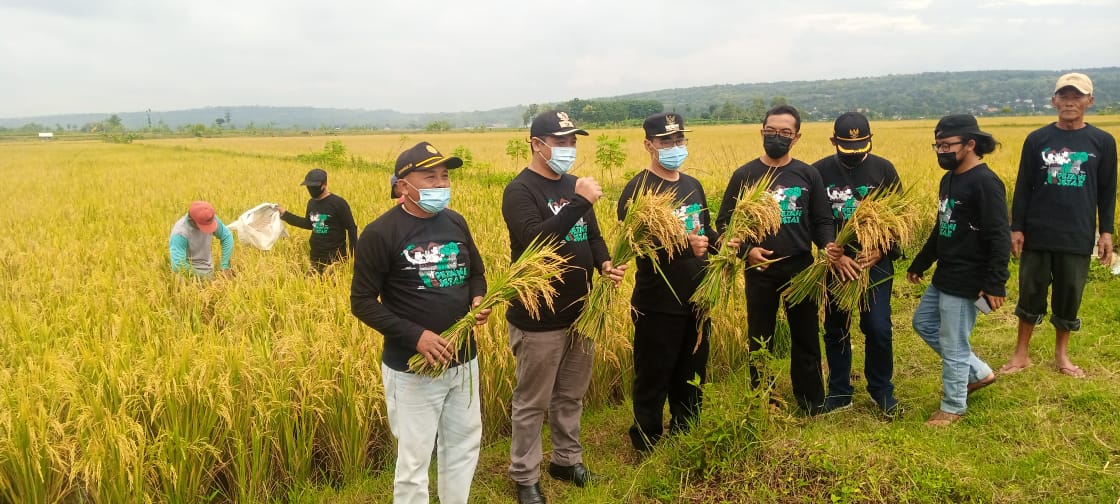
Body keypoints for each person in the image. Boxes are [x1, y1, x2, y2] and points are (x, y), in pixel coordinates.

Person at [350, 141, 490, 504]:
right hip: (413, 371)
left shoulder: (456, 221)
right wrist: (417, 337)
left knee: (463, 445)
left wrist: (478, 299)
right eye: (429, 177)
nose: (440, 183)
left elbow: (477, 272)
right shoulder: (381, 233)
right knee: (414, 461)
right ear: (402, 185)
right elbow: (362, 302)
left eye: (444, 176)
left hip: (464, 359)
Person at [501, 110, 626, 504]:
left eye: (573, 141)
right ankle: (525, 476)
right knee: (532, 401)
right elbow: (537, 240)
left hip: (581, 310)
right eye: (561, 141)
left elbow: (592, 234)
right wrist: (577, 201)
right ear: (537, 145)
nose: (569, 148)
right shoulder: (520, 191)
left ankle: (567, 461)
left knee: (571, 394)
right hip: (538, 316)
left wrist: (604, 263)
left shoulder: (573, 185)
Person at [715, 104, 847, 416]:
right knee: (760, 338)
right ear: (762, 132)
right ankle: (761, 401)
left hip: (800, 267)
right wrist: (748, 252)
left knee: (806, 337)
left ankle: (811, 402)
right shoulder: (745, 176)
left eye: (785, 132)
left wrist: (827, 244)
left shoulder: (807, 174)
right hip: (760, 269)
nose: (778, 137)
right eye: (771, 131)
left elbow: (822, 219)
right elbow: (724, 225)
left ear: (796, 137)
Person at [1000, 72, 1117, 379]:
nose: (1069, 102)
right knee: (1030, 292)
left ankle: (1061, 356)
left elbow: (1107, 190)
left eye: (1077, 96)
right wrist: (1017, 228)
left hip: (1077, 233)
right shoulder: (1037, 139)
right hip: (1038, 231)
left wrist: (1106, 232)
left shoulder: (1103, 142)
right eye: (1063, 96)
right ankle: (1020, 354)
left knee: (1069, 294)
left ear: (1089, 101)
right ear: (1054, 101)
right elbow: (1023, 185)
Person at [619, 113, 718, 452]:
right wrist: (681, 246)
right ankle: (646, 439)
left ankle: (686, 430)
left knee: (692, 369)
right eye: (665, 141)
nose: (674, 147)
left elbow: (705, 232)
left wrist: (729, 246)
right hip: (658, 300)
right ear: (649, 144)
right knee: (653, 373)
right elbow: (637, 248)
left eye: (679, 140)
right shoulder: (637, 190)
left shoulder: (693, 185)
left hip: (699, 296)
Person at [907, 114, 1009, 427]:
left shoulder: (986, 183)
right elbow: (943, 226)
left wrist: (995, 284)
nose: (941, 151)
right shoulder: (949, 178)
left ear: (970, 144)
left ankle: (952, 407)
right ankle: (979, 373)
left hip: (968, 278)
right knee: (923, 322)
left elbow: (999, 235)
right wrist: (921, 262)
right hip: (945, 274)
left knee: (953, 344)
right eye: (937, 145)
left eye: (947, 145)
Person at [813, 112, 903, 417]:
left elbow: (900, 221)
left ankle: (881, 389)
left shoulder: (884, 170)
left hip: (873, 264)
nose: (855, 156)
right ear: (833, 142)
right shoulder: (819, 172)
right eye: (847, 148)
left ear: (870, 140)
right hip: (835, 264)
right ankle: (839, 392)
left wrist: (881, 250)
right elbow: (817, 219)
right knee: (835, 327)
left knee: (877, 327)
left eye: (861, 147)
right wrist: (832, 251)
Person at [279, 168, 358, 273]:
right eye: (309, 187)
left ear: (324, 185)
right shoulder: (311, 203)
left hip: (335, 259)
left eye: (313, 187)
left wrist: (354, 257)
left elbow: (351, 228)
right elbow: (308, 224)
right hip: (315, 256)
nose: (311, 189)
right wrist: (285, 215)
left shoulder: (338, 203)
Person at [169, 200, 234, 278]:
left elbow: (227, 236)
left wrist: (225, 266)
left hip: (209, 272)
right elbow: (178, 266)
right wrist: (204, 278)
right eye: (205, 226)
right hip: (190, 278)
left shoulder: (209, 218)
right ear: (192, 220)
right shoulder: (180, 233)